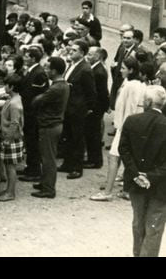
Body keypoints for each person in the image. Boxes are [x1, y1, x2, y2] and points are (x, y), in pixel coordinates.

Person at [118, 85, 166, 257]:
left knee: (138, 222)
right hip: (161, 185)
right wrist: (151, 176)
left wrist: (136, 173)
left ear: (147, 102)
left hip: (135, 180)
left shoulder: (132, 120)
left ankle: (138, 254)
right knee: (154, 225)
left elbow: (123, 149)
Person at [91, 56, 147, 202]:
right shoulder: (132, 83)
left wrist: (123, 129)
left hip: (125, 128)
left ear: (131, 70)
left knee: (114, 157)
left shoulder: (132, 86)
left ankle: (108, 192)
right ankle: (126, 190)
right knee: (125, 158)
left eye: (123, 68)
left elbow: (131, 109)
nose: (120, 70)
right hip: (127, 127)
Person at [30, 57, 69, 199]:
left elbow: (36, 101)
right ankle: (45, 182)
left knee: (48, 159)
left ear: (54, 71)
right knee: (46, 156)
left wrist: (37, 97)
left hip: (49, 126)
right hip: (53, 124)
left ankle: (48, 189)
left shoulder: (56, 88)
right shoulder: (62, 85)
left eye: (48, 68)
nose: (45, 71)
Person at [60, 40, 96, 180]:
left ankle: (77, 167)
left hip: (77, 109)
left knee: (77, 139)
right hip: (68, 107)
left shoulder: (85, 69)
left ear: (82, 53)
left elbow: (91, 92)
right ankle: (67, 163)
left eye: (74, 50)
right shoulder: (72, 65)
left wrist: (87, 108)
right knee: (68, 137)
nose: (71, 52)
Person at [19, 47, 48, 181]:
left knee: (33, 143)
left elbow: (38, 95)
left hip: (33, 114)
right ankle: (30, 167)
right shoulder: (32, 71)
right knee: (30, 142)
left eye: (27, 56)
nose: (24, 58)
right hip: (29, 112)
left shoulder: (39, 73)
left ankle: (34, 171)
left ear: (33, 58)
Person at [0, 74, 24, 202]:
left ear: (11, 87)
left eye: (6, 85)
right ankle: (8, 189)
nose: (4, 87)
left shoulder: (14, 103)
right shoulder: (13, 99)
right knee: (8, 165)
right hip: (8, 136)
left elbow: (14, 123)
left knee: (10, 166)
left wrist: (8, 139)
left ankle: (10, 192)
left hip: (11, 138)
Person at [85, 46, 110, 170]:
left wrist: (95, 108)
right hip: (96, 108)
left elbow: (101, 93)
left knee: (93, 134)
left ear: (98, 56)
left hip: (95, 108)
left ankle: (94, 160)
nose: (87, 57)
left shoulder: (98, 72)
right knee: (92, 134)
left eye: (90, 54)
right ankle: (93, 159)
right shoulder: (95, 68)